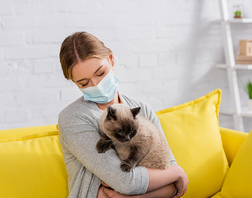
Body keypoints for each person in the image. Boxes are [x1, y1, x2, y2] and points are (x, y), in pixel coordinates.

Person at [58, 31, 189, 198]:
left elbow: (170, 177)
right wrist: (176, 173)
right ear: (74, 82)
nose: (97, 85)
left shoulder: (142, 109)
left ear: (111, 59)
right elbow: (124, 182)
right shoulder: (73, 118)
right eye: (84, 83)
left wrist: (172, 175)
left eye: (100, 73)